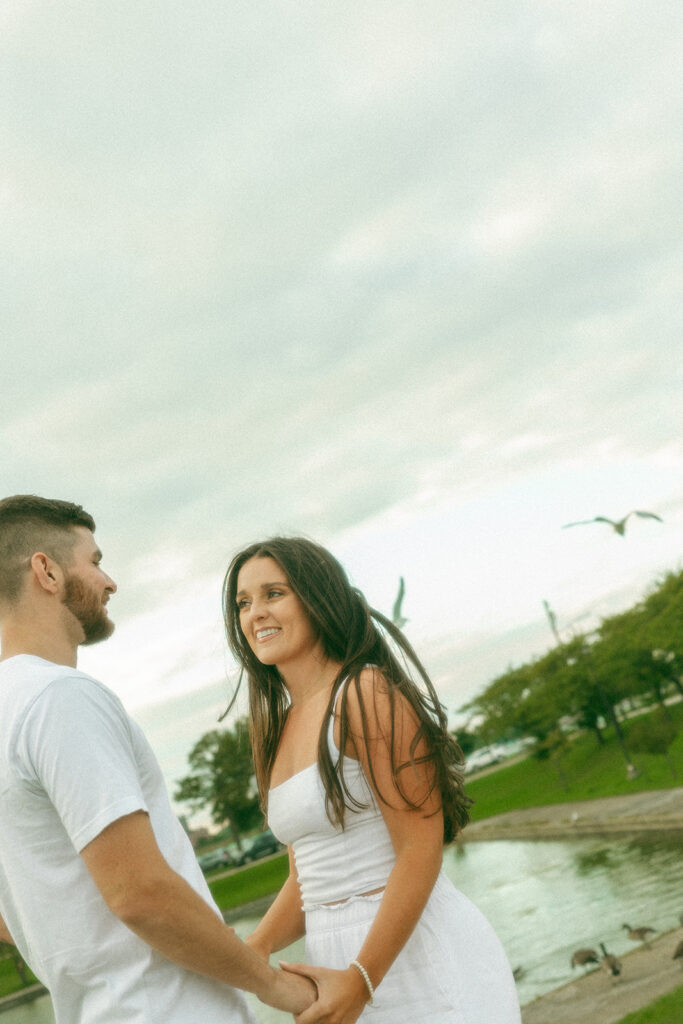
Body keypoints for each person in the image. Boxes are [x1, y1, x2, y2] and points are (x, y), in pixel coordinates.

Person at [0, 495, 314, 1024]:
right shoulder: (59, 698)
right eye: (95, 561)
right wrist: (276, 988)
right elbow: (140, 892)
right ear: (46, 571)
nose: (109, 582)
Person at [223, 537, 522, 1024]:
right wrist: (256, 944)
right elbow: (308, 880)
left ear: (317, 599)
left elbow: (419, 848)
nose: (255, 612)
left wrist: (363, 977)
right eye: (243, 602)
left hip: (414, 958)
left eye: (273, 593)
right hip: (336, 968)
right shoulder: (277, 731)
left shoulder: (366, 691)